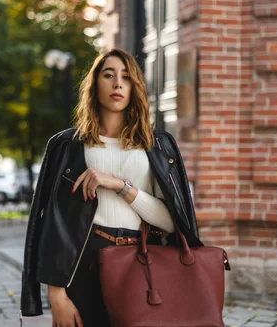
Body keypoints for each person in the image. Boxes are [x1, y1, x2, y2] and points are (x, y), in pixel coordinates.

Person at [21, 48, 202, 327]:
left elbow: (171, 221)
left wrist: (120, 186)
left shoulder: (156, 146)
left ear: (135, 88)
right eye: (109, 75)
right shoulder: (66, 145)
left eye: (127, 77)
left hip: (140, 262)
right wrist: (56, 294)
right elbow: (50, 223)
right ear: (95, 84)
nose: (118, 83)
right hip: (84, 263)